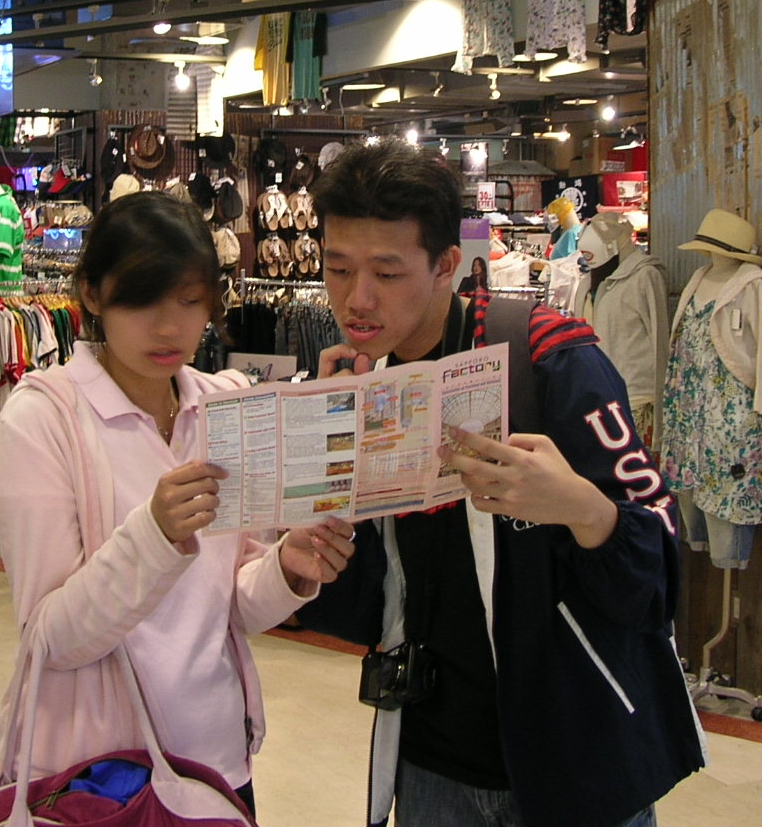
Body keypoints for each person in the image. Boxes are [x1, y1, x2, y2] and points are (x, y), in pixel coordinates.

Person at [299, 141, 703, 827]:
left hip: (576, 764)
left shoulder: (549, 361)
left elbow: (659, 577)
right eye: (337, 269)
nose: (356, 299)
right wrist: (319, 506)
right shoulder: (358, 388)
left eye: (387, 272)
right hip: (432, 764)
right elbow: (361, 610)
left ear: (446, 265)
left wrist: (582, 510)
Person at [0, 191, 354, 814]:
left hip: (217, 765)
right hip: (103, 778)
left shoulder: (224, 406)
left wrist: (287, 568)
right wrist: (152, 535)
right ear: (92, 295)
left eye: (188, 302)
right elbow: (51, 640)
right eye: (141, 301)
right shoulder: (40, 423)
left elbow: (231, 608)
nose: (168, 327)